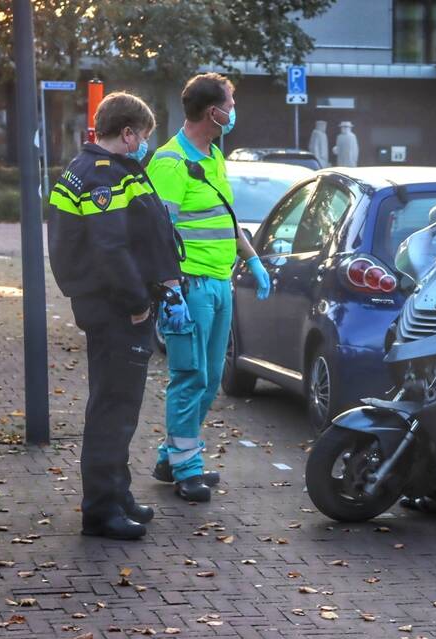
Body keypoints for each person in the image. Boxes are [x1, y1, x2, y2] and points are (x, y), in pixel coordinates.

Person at [47, 92, 188, 540]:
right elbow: (111, 248)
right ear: (127, 133)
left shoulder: (95, 169)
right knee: (113, 409)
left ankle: (118, 493)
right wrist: (137, 304)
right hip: (116, 311)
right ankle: (102, 511)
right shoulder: (102, 176)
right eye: (143, 136)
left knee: (117, 407)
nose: (145, 143)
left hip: (109, 306)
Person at [146, 73, 271, 502]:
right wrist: (170, 291)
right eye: (230, 104)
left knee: (211, 377)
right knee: (189, 377)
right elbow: (158, 234)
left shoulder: (214, 154)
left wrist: (251, 258)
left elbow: (225, 215)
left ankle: (172, 456)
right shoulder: (169, 163)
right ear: (211, 111)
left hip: (219, 284)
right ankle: (186, 469)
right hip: (190, 287)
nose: (234, 111)